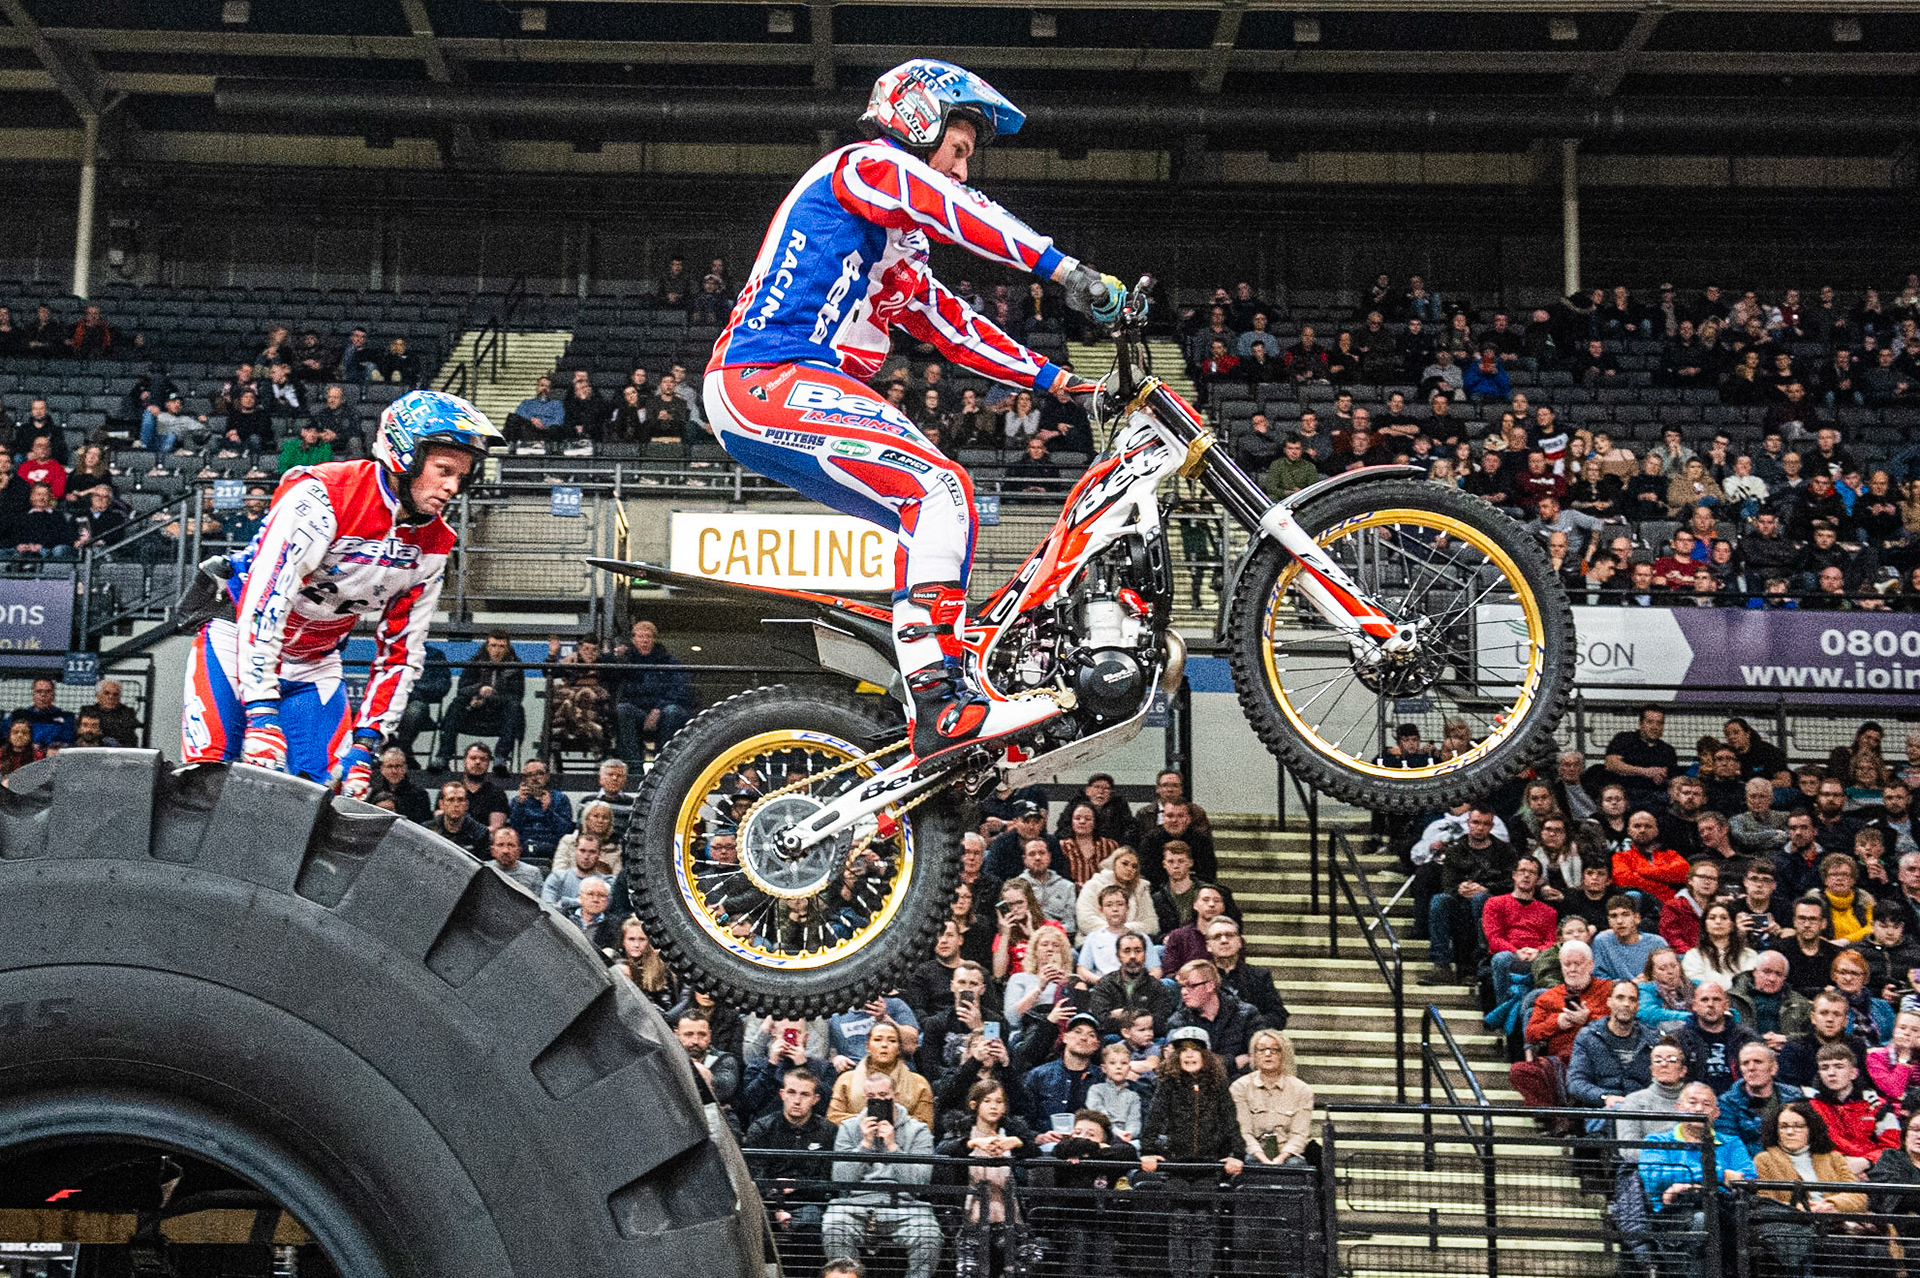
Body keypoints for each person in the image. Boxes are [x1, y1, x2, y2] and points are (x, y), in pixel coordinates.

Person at [704, 59, 1125, 769]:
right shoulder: (862, 166)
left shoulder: (894, 239)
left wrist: (1063, 383)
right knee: (941, 488)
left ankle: (926, 696)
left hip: (787, 383)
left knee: (925, 507)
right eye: (958, 150)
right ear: (916, 118)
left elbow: (948, 323)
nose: (962, 169)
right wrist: (1064, 270)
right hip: (767, 373)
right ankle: (937, 696)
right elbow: (949, 206)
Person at [181, 390, 500, 791]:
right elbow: (266, 603)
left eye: (461, 476)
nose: (454, 486)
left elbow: (402, 652)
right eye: (443, 470)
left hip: (317, 657)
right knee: (209, 779)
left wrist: (367, 743)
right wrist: (261, 712)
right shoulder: (322, 496)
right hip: (237, 638)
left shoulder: (435, 542)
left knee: (320, 793)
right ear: (406, 453)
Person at [1137, 1026, 1245, 1278]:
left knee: (1203, 1223)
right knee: (1178, 1222)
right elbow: (1153, 1119)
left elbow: (1230, 1123)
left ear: (1206, 1055)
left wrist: (1237, 1153)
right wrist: (1148, 1150)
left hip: (1208, 1165)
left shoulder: (1218, 1086)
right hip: (1177, 1164)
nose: (1188, 1055)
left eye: (1194, 1050)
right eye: (1183, 1050)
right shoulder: (1168, 1085)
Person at [822, 1071, 940, 1278]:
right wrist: (864, 1146)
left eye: (884, 1096)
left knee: (929, 1235)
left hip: (904, 1206)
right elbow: (840, 1180)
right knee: (833, 1224)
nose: (878, 1101)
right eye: (872, 1097)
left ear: (896, 1095)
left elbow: (920, 1184)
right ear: (865, 1098)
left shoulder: (918, 1130)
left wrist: (893, 1147)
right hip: (856, 1204)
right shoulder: (849, 1128)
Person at [935, 1078, 1035, 1276]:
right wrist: (973, 1144)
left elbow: (1036, 1154)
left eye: (999, 1102)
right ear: (975, 1105)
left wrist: (1017, 1143)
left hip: (1010, 1219)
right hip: (971, 1220)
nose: (994, 1107)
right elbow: (942, 1151)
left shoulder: (1012, 1132)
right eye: (988, 1101)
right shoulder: (960, 1132)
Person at [743, 1067, 837, 1235]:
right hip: (766, 1202)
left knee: (810, 1222)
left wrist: (797, 1185)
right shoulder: (761, 1129)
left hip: (809, 1203)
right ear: (782, 1094)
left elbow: (827, 1180)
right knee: (753, 1221)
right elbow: (754, 1176)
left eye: (804, 1094)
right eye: (792, 1092)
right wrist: (775, 1205)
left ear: (815, 1099)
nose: (797, 1100)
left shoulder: (828, 1131)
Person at [1569, 980, 1663, 1110]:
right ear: (1609, 1002)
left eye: (1632, 999)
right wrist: (1605, 1097)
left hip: (1642, 1109)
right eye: (1620, 998)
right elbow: (1576, 1082)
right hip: (1600, 1110)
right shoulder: (1589, 1036)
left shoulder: (1652, 1039)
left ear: (1637, 1006)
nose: (1626, 1004)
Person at [438, 632, 526, 766]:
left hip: (500, 715)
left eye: (501, 647)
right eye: (493, 645)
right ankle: (443, 756)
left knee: (515, 708)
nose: (496, 650)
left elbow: (516, 696)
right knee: (457, 704)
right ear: (487, 646)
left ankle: (500, 757)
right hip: (474, 712)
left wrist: (491, 696)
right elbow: (462, 689)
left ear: (507, 648)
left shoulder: (515, 667)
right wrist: (478, 690)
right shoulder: (475, 662)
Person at [365, 746, 432, 823]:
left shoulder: (420, 795)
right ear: (382, 769)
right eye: (389, 766)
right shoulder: (375, 793)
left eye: (398, 766)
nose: (394, 771)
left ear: (405, 768)